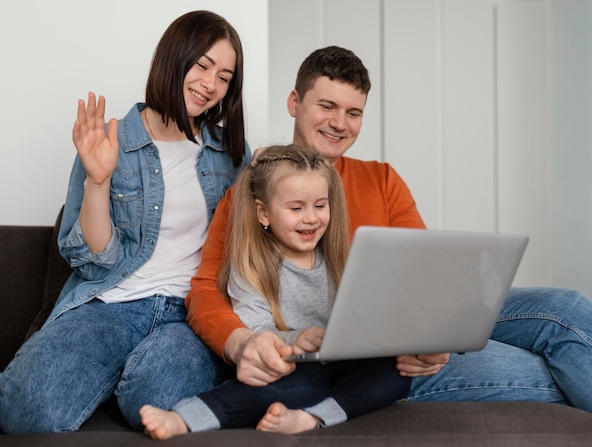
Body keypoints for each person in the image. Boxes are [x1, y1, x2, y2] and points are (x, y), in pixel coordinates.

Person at [186, 45, 592, 424]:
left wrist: (436, 339)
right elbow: (205, 287)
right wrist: (239, 342)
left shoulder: (381, 178)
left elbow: (427, 277)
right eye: (326, 106)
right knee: (546, 368)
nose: (339, 123)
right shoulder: (253, 191)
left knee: (568, 308)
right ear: (295, 103)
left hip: (405, 327)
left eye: (354, 112)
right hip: (359, 354)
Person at [0, 10, 252, 433]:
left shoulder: (232, 153)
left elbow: (245, 249)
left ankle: (122, 374)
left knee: (154, 402)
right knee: (24, 412)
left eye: (224, 76)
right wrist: (98, 181)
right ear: (174, 57)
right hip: (112, 303)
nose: (210, 84)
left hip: (188, 313)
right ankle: (105, 367)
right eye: (202, 65)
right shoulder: (113, 141)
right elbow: (95, 263)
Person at [139, 144, 411, 440]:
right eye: (296, 208)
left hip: (339, 362)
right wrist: (297, 340)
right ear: (263, 213)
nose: (311, 218)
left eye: (320, 206)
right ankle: (185, 418)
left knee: (397, 371)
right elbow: (258, 331)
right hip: (286, 366)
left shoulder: (338, 259)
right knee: (306, 381)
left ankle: (312, 417)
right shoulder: (254, 266)